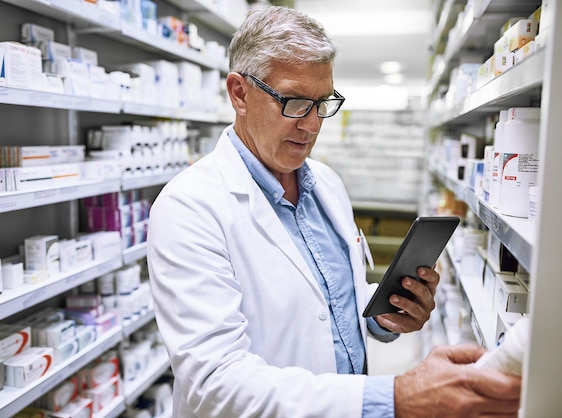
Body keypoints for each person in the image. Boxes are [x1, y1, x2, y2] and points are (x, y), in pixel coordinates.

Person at [146, 6, 522, 418]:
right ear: (239, 93)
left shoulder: (326, 184)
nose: (311, 125)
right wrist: (396, 397)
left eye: (322, 103)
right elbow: (214, 383)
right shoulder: (188, 208)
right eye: (293, 102)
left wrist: (387, 315)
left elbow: (336, 303)